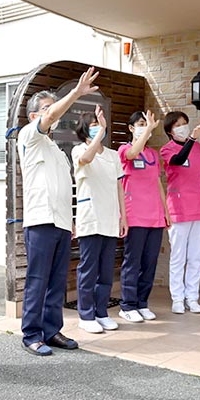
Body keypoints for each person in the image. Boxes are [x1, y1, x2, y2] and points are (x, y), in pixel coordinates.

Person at [17, 67, 100, 355]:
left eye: (53, 107)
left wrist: (72, 220)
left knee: (56, 281)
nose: (51, 113)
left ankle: (52, 331)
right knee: (37, 280)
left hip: (62, 222)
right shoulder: (29, 135)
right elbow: (50, 117)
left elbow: (66, 188)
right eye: (45, 108)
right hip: (40, 219)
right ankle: (31, 334)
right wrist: (76, 93)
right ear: (33, 116)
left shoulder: (56, 149)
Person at [71, 105, 127, 333]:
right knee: (89, 268)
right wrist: (99, 133)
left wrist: (123, 216)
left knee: (106, 269)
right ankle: (86, 314)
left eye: (99, 124)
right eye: (93, 125)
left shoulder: (113, 156)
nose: (97, 128)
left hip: (111, 217)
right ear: (85, 130)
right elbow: (86, 158)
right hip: (90, 217)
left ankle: (101, 312)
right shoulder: (78, 150)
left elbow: (119, 186)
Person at [118, 110, 170, 323]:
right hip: (135, 215)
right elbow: (131, 155)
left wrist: (166, 211)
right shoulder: (124, 150)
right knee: (133, 261)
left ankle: (142, 303)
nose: (144, 126)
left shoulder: (152, 154)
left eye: (146, 123)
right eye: (140, 124)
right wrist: (149, 129)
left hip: (155, 215)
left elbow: (157, 183)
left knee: (149, 261)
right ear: (131, 128)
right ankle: (127, 305)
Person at [160, 112, 200, 314]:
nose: (184, 127)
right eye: (178, 125)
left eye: (185, 123)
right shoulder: (166, 149)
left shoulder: (196, 147)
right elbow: (179, 160)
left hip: (199, 207)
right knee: (178, 257)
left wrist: (192, 141)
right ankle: (178, 298)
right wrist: (192, 138)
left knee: (195, 257)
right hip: (179, 209)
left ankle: (192, 297)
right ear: (170, 130)